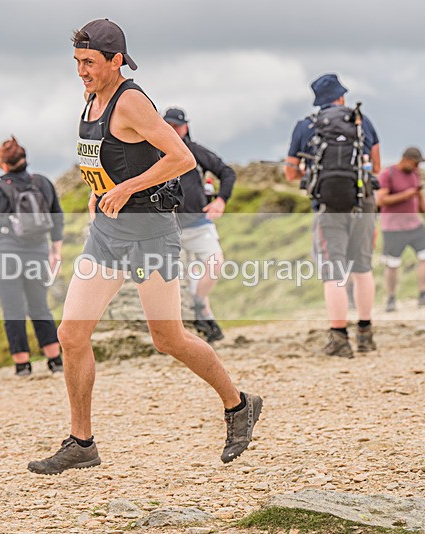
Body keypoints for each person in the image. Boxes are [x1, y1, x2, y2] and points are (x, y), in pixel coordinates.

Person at [27, 19, 262, 475]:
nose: (82, 71)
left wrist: (125, 188)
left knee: (167, 338)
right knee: (71, 336)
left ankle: (239, 405)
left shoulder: (131, 101)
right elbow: (105, 160)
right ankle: (82, 442)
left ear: (117, 61)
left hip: (151, 233)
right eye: (77, 63)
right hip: (108, 237)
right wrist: (100, 192)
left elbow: (182, 158)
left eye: (90, 63)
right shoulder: (90, 99)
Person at [285, 73, 381, 358]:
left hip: (328, 207)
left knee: (334, 273)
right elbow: (375, 165)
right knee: (363, 269)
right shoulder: (362, 121)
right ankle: (365, 334)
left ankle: (340, 338)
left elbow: (290, 172)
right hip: (363, 201)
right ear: (341, 96)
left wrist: (313, 172)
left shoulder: (306, 126)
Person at [0, 136, 65, 376]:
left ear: (2, 163)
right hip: (38, 252)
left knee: (13, 309)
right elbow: (57, 217)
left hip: (6, 255)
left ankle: (23, 366)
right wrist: (56, 252)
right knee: (40, 306)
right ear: (24, 160)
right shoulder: (42, 183)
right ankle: (55, 361)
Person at [163, 106, 236, 343]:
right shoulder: (153, 153)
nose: (173, 130)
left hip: (199, 223)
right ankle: (201, 320)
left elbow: (227, 172)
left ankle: (198, 305)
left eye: (177, 125)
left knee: (215, 264)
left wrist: (221, 201)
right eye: (169, 125)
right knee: (176, 279)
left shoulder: (196, 152)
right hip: (168, 228)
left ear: (185, 127)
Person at [376, 147, 425, 312]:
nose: (417, 167)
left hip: (414, 225)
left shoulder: (415, 175)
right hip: (393, 227)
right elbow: (381, 200)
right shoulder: (388, 175)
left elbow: (419, 197)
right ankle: (391, 299)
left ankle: (424, 294)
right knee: (392, 264)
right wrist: (405, 195)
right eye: (415, 163)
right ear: (405, 159)